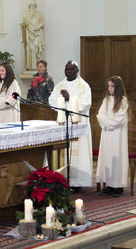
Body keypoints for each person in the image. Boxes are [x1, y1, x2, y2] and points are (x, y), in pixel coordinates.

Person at [49, 60, 92, 189]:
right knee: (65, 152)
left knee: (78, 154)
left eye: (71, 69)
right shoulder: (60, 85)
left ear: (77, 71)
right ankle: (63, 181)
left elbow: (86, 103)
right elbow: (51, 100)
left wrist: (69, 98)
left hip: (78, 124)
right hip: (64, 124)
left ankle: (78, 184)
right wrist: (62, 102)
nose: (68, 71)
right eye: (66, 69)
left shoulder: (84, 86)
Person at [96, 76, 129, 197]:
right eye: (108, 86)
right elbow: (100, 115)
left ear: (118, 87)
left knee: (117, 157)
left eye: (112, 86)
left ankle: (118, 186)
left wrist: (107, 121)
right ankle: (109, 185)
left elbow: (118, 120)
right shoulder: (106, 100)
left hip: (117, 136)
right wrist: (108, 121)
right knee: (107, 158)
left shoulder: (123, 101)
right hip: (106, 135)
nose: (110, 88)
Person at [21, 0, 44, 70]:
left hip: (36, 34)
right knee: (28, 49)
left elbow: (42, 23)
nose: (32, 8)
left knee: (35, 50)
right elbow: (22, 23)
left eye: (34, 6)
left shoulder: (38, 14)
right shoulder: (25, 14)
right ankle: (28, 67)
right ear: (29, 6)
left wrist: (38, 26)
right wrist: (23, 25)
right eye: (31, 6)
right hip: (28, 33)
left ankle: (36, 67)